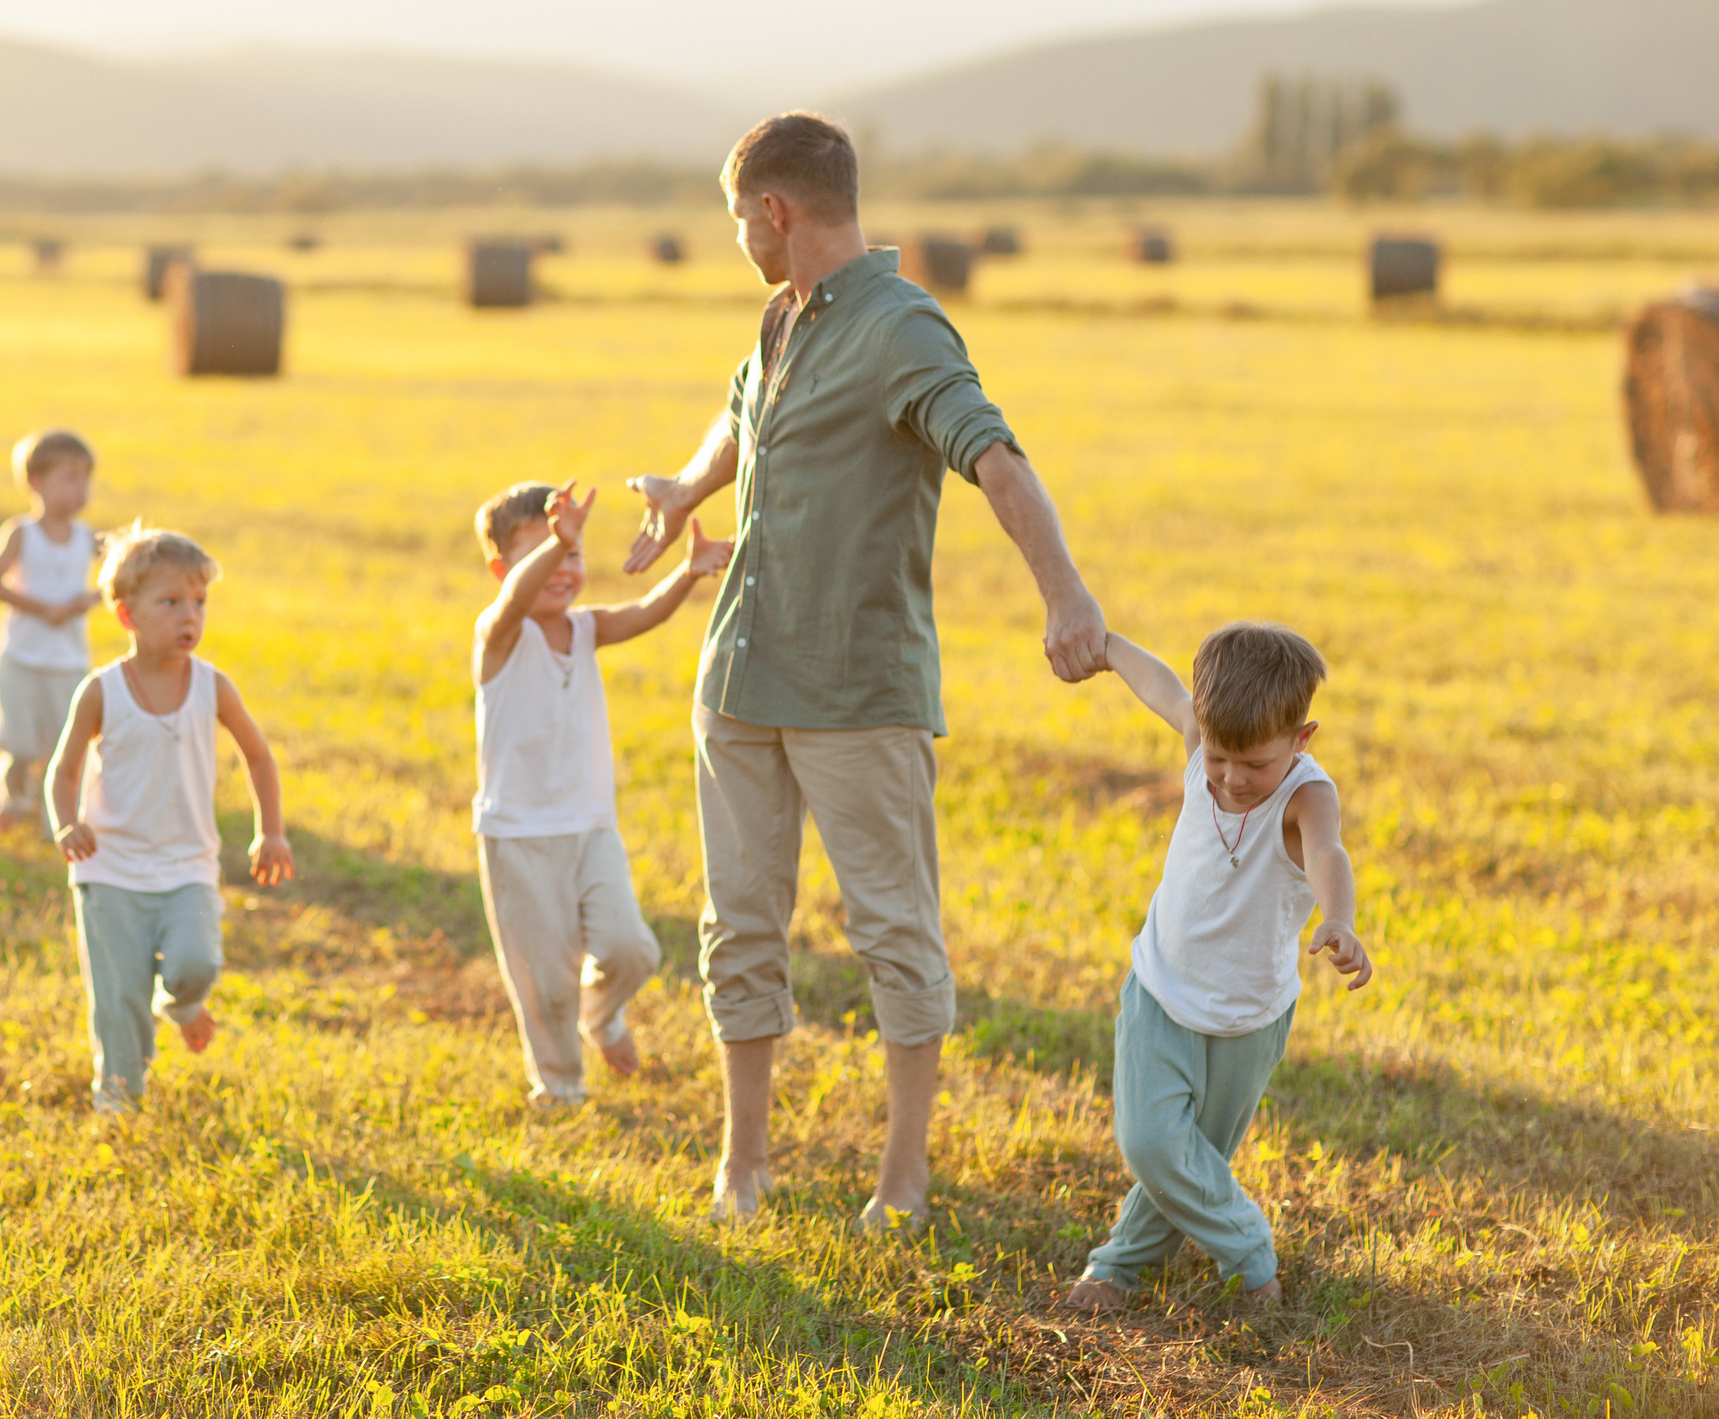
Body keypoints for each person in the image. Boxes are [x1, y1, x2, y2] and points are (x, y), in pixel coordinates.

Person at [623, 111, 1110, 1228]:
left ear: (773, 211)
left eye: (740, 217)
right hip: (738, 675)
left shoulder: (902, 328)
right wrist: (683, 492)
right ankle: (743, 1162)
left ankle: (903, 1178)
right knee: (737, 924)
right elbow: (739, 417)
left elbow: (992, 453)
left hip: (854, 691)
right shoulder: (780, 318)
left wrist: (1066, 595)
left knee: (892, 929)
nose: (739, 235)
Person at [1060, 623, 1374, 1311]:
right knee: (1151, 1141)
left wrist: (1339, 918)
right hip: (1161, 984)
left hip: (1248, 1016)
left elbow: (1328, 854)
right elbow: (1160, 685)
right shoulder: (1204, 740)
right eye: (1220, 756)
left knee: (1192, 1156)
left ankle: (1118, 1268)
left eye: (1254, 764)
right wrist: (1109, 646)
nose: (1232, 777)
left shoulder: (1305, 795)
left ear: (1301, 737)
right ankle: (1247, 1248)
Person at [470, 478, 727, 1106]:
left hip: (591, 827)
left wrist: (689, 574)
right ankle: (558, 1087)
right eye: (545, 555)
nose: (563, 567)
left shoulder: (585, 629)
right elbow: (517, 599)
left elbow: (643, 613)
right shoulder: (499, 634)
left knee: (631, 947)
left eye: (575, 554)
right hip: (518, 837)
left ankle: (602, 1016)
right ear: (503, 568)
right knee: (544, 983)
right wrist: (557, 544)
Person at [44, 527, 294, 1113]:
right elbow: (63, 769)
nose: (191, 616)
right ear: (127, 615)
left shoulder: (213, 686)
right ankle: (119, 1097)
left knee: (196, 962)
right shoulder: (102, 691)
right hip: (109, 871)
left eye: (199, 603)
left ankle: (181, 1003)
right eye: (171, 603)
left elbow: (258, 755)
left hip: (187, 866)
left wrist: (272, 830)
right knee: (118, 995)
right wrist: (65, 822)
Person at [0, 430, 100, 827]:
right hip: (21, 657)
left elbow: (122, 577)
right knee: (19, 742)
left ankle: (60, 818)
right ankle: (12, 796)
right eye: (69, 477)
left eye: (85, 478)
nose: (80, 488)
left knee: (64, 745)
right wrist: (42, 609)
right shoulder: (21, 533)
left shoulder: (89, 539)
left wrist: (90, 599)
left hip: (68, 662)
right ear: (36, 482)